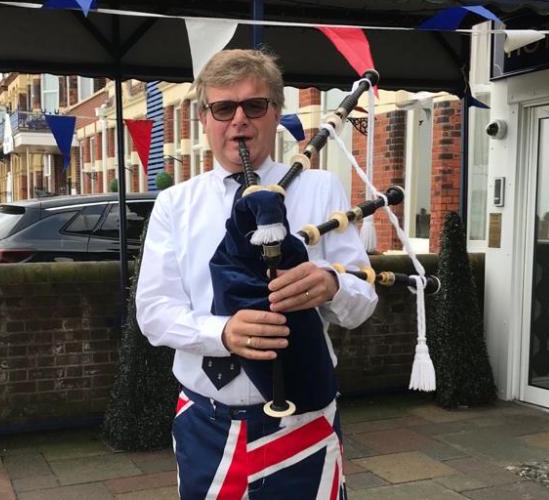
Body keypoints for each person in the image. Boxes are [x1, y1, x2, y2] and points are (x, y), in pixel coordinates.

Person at [136, 49, 377, 499]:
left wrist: (330, 284)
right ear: (204, 119)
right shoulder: (175, 203)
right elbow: (153, 311)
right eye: (224, 108)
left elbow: (363, 297)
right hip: (206, 419)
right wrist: (222, 332)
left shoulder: (321, 188)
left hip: (304, 419)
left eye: (254, 105)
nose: (239, 120)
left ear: (276, 113)